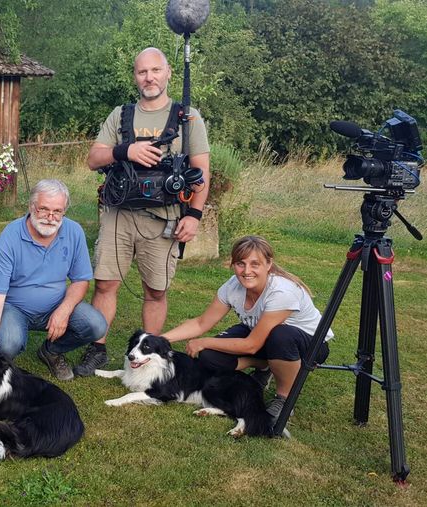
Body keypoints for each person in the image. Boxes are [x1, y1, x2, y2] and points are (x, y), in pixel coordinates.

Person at [76, 47, 212, 377]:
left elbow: (202, 172)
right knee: (105, 283)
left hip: (165, 217)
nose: (148, 77)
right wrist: (127, 150)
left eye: (155, 70)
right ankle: (98, 349)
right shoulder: (120, 115)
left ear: (167, 74)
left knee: (156, 290)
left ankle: (149, 355)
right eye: (141, 72)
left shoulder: (187, 117)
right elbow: (94, 158)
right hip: (118, 214)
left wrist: (193, 216)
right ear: (135, 77)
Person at [163, 236, 333, 419]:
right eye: (240, 264)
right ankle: (265, 365)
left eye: (255, 264)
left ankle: (284, 399)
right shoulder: (233, 286)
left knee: (281, 335)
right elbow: (201, 323)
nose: (246, 271)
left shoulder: (282, 292)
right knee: (209, 356)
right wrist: (160, 340)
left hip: (310, 346)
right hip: (263, 338)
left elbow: (251, 345)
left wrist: (204, 341)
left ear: (268, 264)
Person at [0, 179, 108, 381]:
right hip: (15, 308)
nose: (50, 217)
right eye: (44, 209)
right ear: (31, 207)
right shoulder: (10, 236)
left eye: (57, 211)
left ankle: (51, 350)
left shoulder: (74, 232)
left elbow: (81, 280)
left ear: (65, 211)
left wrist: (64, 311)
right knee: (9, 342)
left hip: (55, 305)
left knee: (97, 324)